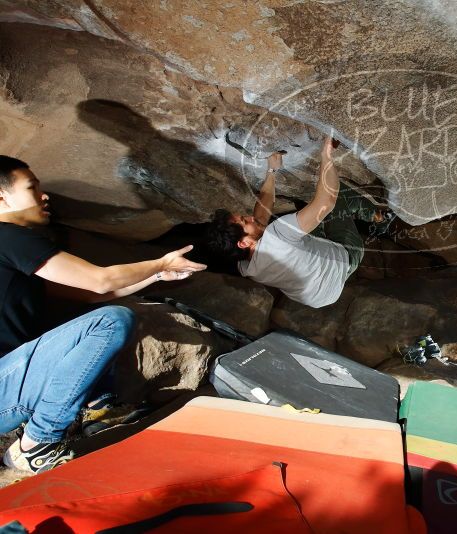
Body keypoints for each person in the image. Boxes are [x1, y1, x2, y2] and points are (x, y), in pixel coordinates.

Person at [0, 155, 206, 473]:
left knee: (91, 320)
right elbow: (100, 279)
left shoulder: (11, 251)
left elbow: (89, 293)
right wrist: (160, 263)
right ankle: (37, 443)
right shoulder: (7, 236)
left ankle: (93, 410)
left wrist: (154, 277)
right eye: (31, 187)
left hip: (9, 385)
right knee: (110, 321)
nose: (44, 195)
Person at [204, 137, 393, 308]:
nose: (251, 218)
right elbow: (326, 201)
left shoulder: (244, 266)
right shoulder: (278, 235)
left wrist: (271, 171)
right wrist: (326, 154)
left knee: (305, 211)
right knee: (336, 193)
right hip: (345, 259)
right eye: (245, 221)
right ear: (243, 242)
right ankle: (380, 218)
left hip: (319, 297)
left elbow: (261, 215)